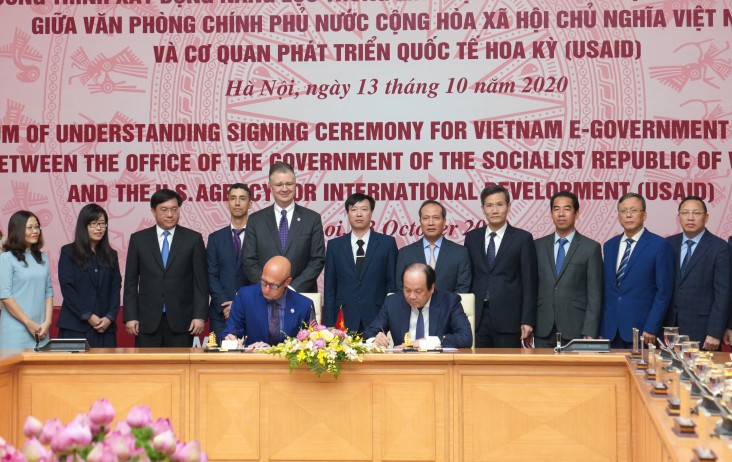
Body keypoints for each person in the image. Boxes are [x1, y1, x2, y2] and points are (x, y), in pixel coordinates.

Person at [123, 188, 209, 347]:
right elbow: (130, 281)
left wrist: (199, 316)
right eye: (164, 210)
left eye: (174, 209)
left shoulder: (193, 239)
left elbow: (201, 282)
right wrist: (130, 316)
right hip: (146, 321)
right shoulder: (139, 240)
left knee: (180, 369)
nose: (170, 214)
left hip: (182, 321)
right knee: (148, 369)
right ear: (153, 211)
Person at [464, 185, 538, 348]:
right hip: (478, 317)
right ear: (483, 209)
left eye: (500, 204)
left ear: (509, 206)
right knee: (476, 369)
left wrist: (527, 319)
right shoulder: (472, 238)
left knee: (506, 369)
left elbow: (529, 282)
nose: (495, 210)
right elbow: (468, 277)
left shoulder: (522, 238)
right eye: (489, 206)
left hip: (509, 318)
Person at [601, 193, 674, 348]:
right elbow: (607, 290)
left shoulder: (659, 245)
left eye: (633, 210)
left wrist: (651, 327)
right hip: (611, 332)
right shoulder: (609, 246)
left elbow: (664, 291)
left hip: (643, 332)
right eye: (623, 211)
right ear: (618, 216)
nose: (628, 215)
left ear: (644, 215)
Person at [243, 162, 325, 293]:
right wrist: (269, 287)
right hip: (265, 296)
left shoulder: (312, 219)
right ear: (269, 187)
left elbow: (317, 259)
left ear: (295, 185)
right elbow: (249, 260)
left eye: (289, 184)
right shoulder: (256, 220)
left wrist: (292, 288)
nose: (285, 189)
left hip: (301, 295)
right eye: (279, 184)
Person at [534, 192, 603, 347]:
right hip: (543, 327)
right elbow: (531, 287)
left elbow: (595, 293)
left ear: (576, 213)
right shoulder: (537, 246)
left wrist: (590, 330)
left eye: (567, 209)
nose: (561, 214)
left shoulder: (590, 248)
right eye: (556, 209)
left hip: (576, 327)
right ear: (551, 213)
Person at [323, 193, 397, 332]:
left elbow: (392, 286)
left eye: (364, 209)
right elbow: (329, 288)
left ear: (371, 213)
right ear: (347, 213)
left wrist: (390, 319)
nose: (359, 214)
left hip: (377, 316)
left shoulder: (387, 244)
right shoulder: (335, 246)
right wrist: (329, 323)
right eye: (354, 209)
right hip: (343, 318)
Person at [665, 196, 729, 350]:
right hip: (669, 327)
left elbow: (723, 294)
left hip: (702, 329)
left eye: (696, 213)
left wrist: (715, 332)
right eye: (685, 213)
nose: (690, 218)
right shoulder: (668, 244)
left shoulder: (720, 248)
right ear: (678, 217)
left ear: (706, 217)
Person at [363, 263, 472, 349]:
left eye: (418, 291)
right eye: (407, 290)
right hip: (403, 366)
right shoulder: (392, 302)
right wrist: (374, 340)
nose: (412, 296)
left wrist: (427, 342)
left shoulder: (449, 302)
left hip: (438, 366)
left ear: (432, 288)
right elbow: (369, 332)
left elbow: (466, 337)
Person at [57, 204, 122, 347]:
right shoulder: (68, 252)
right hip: (75, 327)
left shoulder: (112, 255)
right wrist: (88, 315)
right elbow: (68, 288)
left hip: (105, 328)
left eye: (102, 224)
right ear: (84, 225)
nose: (99, 228)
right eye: (94, 224)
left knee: (105, 369)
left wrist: (109, 317)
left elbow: (116, 288)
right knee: (74, 369)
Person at [223, 256, 314, 348]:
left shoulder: (304, 305)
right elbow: (230, 331)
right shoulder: (245, 296)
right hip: (253, 359)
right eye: (263, 282)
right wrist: (231, 339)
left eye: (273, 286)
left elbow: (310, 345)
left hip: (287, 361)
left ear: (287, 282)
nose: (266, 289)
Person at [0, 211, 53, 349]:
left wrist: (47, 322)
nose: (35, 231)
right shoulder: (6, 258)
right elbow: (5, 296)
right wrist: (29, 323)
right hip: (15, 331)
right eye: (30, 227)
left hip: (41, 330)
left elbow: (48, 292)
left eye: (37, 227)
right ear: (17, 229)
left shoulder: (42, 258)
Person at [207, 183, 253, 340]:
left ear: (250, 203)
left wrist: (239, 305)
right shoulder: (215, 238)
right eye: (233, 198)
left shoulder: (259, 237)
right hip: (221, 314)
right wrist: (225, 305)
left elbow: (260, 275)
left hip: (251, 311)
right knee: (220, 363)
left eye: (242, 198)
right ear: (227, 203)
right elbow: (211, 275)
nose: (237, 203)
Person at [395, 200, 471, 293]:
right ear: (420, 221)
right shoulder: (405, 253)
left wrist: (449, 307)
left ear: (444, 221)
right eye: (426, 218)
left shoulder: (460, 252)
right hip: (414, 307)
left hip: (449, 307)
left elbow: (463, 288)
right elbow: (401, 288)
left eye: (436, 218)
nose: (430, 223)